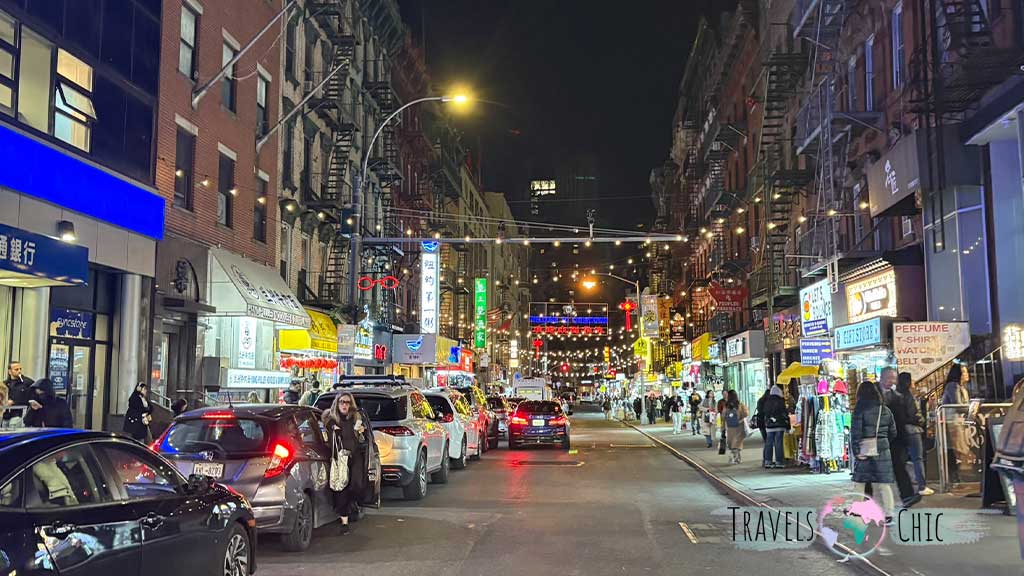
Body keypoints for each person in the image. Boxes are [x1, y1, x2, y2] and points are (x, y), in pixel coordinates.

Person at [850, 381, 898, 524]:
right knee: (884, 483)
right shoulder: (885, 410)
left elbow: (856, 432)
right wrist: (883, 442)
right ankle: (889, 514)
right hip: (882, 449)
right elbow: (893, 432)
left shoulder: (859, 409)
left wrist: (856, 450)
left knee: (860, 482)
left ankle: (857, 510)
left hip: (865, 448)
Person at [322, 392, 369, 534]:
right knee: (341, 489)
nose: (344, 405)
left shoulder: (355, 418)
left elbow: (364, 438)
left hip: (354, 458)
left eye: (347, 402)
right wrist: (332, 427)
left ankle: (353, 506)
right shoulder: (331, 418)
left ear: (351, 404)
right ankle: (344, 522)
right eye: (342, 402)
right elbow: (326, 422)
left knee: (356, 485)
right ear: (337, 403)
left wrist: (363, 431)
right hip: (339, 459)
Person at [880, 367, 919, 506]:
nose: (892, 381)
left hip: (895, 439)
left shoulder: (897, 397)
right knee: (870, 472)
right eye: (889, 378)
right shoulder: (873, 394)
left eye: (894, 379)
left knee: (899, 466)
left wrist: (904, 438)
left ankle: (907, 496)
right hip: (878, 439)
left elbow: (901, 419)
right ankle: (864, 499)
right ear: (882, 377)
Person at [896, 371, 932, 496]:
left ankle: (905, 485)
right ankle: (921, 486)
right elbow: (913, 414)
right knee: (918, 458)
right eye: (912, 381)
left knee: (902, 459)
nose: (914, 383)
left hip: (901, 431)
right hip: (913, 430)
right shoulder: (908, 396)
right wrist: (921, 420)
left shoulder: (896, 395)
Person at [940, 363, 971, 484]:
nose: (966, 374)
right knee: (955, 449)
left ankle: (956, 476)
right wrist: (970, 408)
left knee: (956, 449)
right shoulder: (953, 386)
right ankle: (955, 477)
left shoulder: (961, 387)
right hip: (952, 422)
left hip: (957, 421)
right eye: (963, 372)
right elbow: (957, 404)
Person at [762, 385, 790, 468]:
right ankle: (779, 461)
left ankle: (768, 461)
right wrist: (788, 426)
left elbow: (765, 413)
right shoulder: (781, 401)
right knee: (778, 443)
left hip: (769, 426)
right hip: (779, 425)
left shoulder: (767, 401)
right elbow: (784, 413)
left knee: (769, 443)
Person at [3, 361, 33, 426]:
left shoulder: (27, 383)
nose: (19, 371)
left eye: (20, 369)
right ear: (10, 371)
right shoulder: (5, 384)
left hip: (19, 414)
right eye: (16, 369)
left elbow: (31, 398)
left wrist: (14, 402)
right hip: (5, 415)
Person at [722, 390, 749, 464]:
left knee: (732, 442)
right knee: (737, 443)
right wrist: (740, 418)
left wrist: (724, 424)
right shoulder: (740, 404)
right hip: (739, 426)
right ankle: (733, 456)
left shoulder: (727, 405)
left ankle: (737, 458)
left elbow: (723, 416)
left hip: (730, 427)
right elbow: (746, 413)